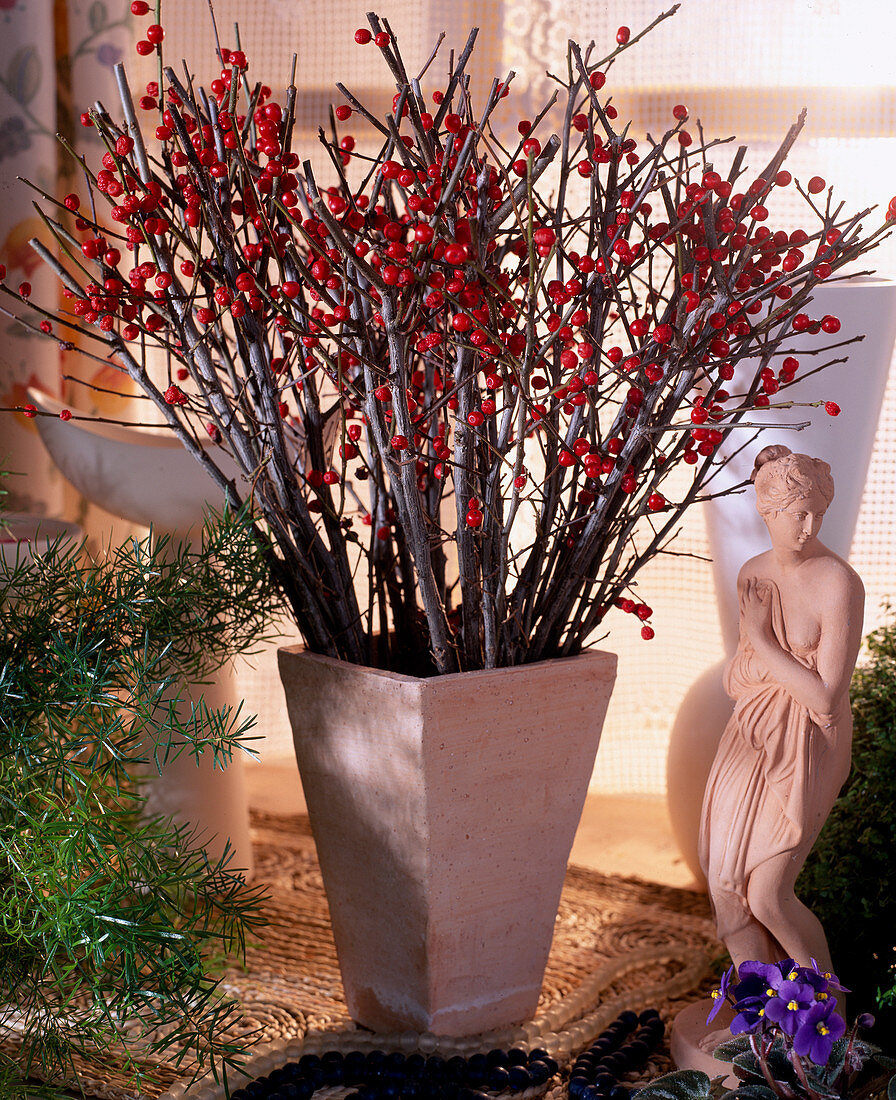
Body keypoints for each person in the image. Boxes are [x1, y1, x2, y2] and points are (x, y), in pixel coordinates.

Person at [698, 444, 864, 974]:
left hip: (810, 742)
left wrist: (763, 643)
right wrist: (762, 656)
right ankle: (757, 1017)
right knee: (725, 889)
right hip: (749, 734)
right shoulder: (752, 573)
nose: (809, 525)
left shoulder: (837, 582)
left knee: (768, 892)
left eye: (818, 512)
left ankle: (826, 1017)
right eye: (797, 513)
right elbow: (735, 681)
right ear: (767, 512)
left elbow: (823, 697)